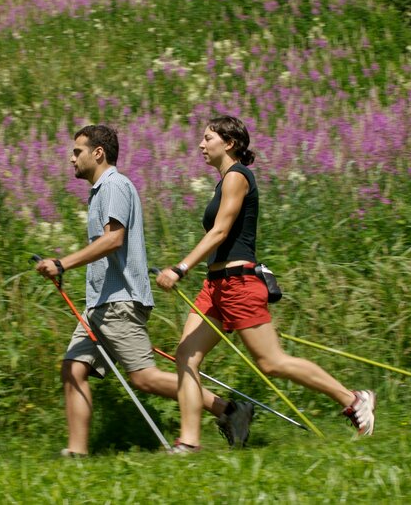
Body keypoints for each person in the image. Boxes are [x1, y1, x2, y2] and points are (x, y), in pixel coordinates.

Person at [155, 115, 376, 453]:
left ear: (229, 144)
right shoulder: (222, 182)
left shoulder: (238, 177)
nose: (201, 145)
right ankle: (189, 443)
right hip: (215, 286)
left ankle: (352, 399)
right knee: (185, 356)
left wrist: (181, 267)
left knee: (271, 362)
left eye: (207, 138)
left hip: (239, 283)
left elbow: (220, 231)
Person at [36, 124, 255, 457]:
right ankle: (77, 453)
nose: (71, 159)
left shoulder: (114, 186)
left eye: (76, 151)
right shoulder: (100, 191)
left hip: (119, 301)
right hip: (99, 304)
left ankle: (227, 410)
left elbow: (114, 239)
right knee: (73, 368)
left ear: (98, 153)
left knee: (144, 377)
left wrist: (63, 264)